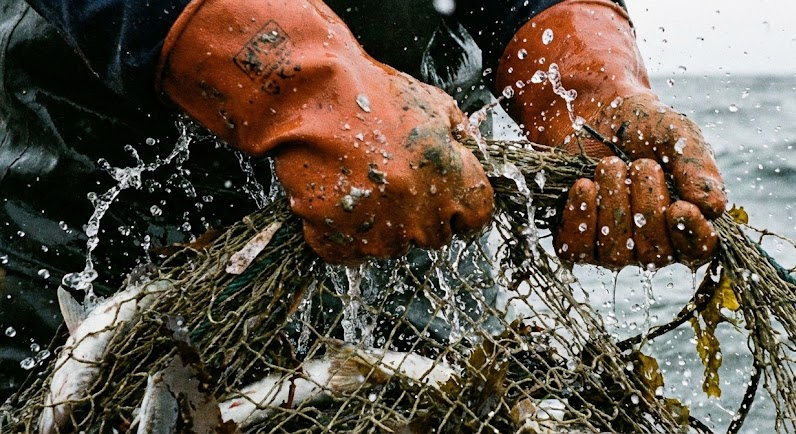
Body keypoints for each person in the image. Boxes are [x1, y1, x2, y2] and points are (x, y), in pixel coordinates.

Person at [0, 0, 726, 401]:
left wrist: (583, 83)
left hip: (411, 221)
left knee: (432, 401)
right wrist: (302, 82)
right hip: (81, 199)